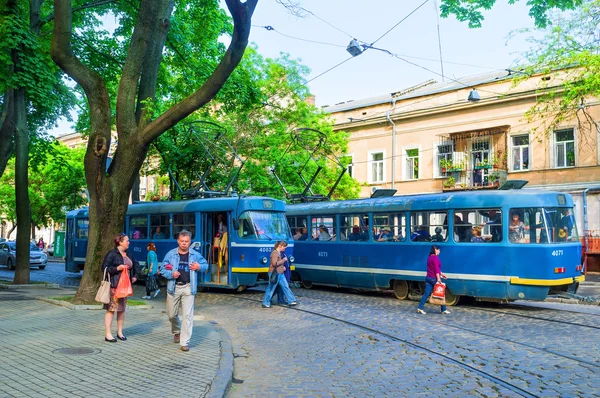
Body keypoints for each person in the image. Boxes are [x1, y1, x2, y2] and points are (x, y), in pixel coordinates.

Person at [160, 230, 208, 352]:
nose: (184, 244)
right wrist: (171, 274)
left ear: (190, 242)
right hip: (173, 287)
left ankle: (184, 341)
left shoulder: (195, 255)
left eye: (186, 242)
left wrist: (199, 266)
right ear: (178, 241)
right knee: (171, 314)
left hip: (188, 287)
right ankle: (177, 331)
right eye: (182, 241)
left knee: (187, 316)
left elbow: (206, 265)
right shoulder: (170, 254)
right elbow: (162, 269)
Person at [102, 233, 138, 342]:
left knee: (121, 310)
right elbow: (104, 268)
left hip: (125, 287)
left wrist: (135, 276)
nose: (129, 242)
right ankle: (108, 334)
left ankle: (120, 332)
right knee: (111, 309)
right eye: (127, 240)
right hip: (114, 286)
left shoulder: (129, 254)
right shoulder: (112, 254)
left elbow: (135, 266)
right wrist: (118, 268)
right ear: (120, 242)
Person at [417, 245, 450, 315]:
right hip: (433, 278)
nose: (439, 251)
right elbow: (436, 269)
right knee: (441, 292)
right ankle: (443, 309)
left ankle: (420, 308)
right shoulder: (435, 258)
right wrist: (438, 279)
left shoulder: (429, 257)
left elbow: (433, 268)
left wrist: (442, 274)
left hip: (428, 278)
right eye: (439, 250)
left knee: (426, 294)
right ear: (436, 250)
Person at [262, 241, 296, 308]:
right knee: (271, 288)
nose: (285, 249)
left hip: (280, 273)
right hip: (274, 273)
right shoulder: (275, 253)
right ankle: (266, 302)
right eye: (284, 247)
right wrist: (283, 260)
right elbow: (274, 264)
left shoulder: (279, 253)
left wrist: (282, 267)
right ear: (280, 246)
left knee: (285, 286)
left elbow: (278, 264)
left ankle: (292, 300)